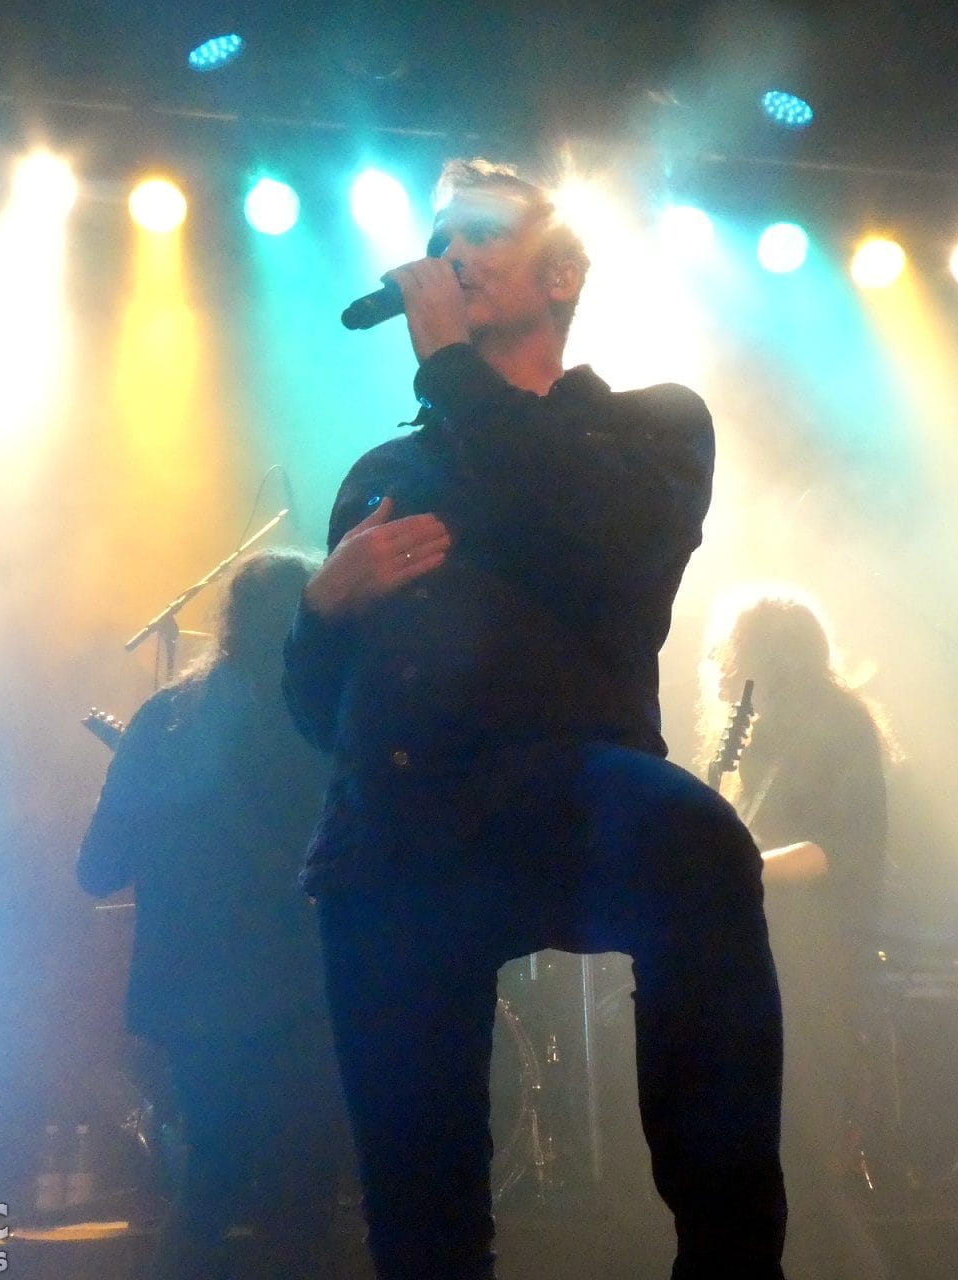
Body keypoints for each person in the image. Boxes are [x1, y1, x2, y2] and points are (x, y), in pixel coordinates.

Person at [284, 158, 787, 1279]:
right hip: (397, 825)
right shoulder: (388, 470)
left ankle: (734, 1258)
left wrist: (452, 371)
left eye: (478, 234)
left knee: (701, 843)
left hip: (567, 788)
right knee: (421, 1220)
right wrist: (323, 609)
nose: (448, 255)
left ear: (560, 275)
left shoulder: (649, 427)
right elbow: (322, 714)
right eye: (438, 238)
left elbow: (603, 543)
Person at [77, 550, 350, 1280]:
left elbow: (98, 869)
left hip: (192, 1002)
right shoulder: (329, 720)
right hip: (303, 997)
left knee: (213, 1180)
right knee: (303, 1203)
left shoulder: (164, 719)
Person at [699, 592, 891, 1279]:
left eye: (734, 650)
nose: (721, 665)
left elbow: (839, 850)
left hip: (815, 970)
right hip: (766, 964)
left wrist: (735, 866)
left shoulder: (837, 724)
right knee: (763, 1166)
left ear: (766, 655)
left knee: (806, 1159)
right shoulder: (760, 740)